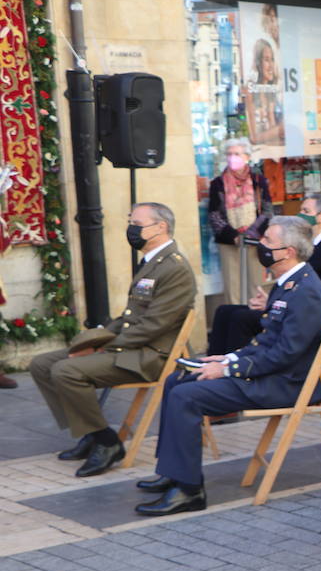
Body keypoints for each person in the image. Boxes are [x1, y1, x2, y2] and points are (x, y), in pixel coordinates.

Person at [138, 217, 321, 516]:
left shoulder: (305, 291)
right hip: (269, 373)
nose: (260, 245)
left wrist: (228, 370)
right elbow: (266, 343)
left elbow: (283, 355)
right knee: (176, 382)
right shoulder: (289, 283)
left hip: (284, 384)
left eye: (268, 241)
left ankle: (189, 491)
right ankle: (173, 472)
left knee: (186, 395)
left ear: (288, 251)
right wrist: (226, 359)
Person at [30, 203, 196, 477]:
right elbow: (129, 316)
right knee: (42, 364)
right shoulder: (153, 262)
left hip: (151, 355)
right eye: (130, 222)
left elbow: (153, 326)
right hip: (130, 346)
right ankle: (92, 433)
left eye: (136, 223)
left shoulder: (173, 268)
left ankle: (107, 442)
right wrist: (95, 342)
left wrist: (103, 347)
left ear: (160, 227)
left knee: (66, 370)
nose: (131, 229)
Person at [205, 192, 321, 355]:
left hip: (302, 316)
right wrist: (272, 301)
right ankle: (209, 365)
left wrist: (275, 305)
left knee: (240, 318)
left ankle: (229, 370)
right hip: (287, 305)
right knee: (224, 311)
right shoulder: (307, 242)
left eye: (306, 211)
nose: (300, 215)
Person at [206, 138, 271, 304]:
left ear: (247, 157)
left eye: (236, 154)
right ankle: (235, 321)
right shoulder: (218, 183)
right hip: (229, 242)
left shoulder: (258, 180)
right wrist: (233, 236)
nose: (232, 157)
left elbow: (267, 210)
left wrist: (251, 234)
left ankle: (255, 320)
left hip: (255, 239)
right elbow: (214, 215)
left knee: (256, 285)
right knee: (232, 286)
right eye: (229, 154)